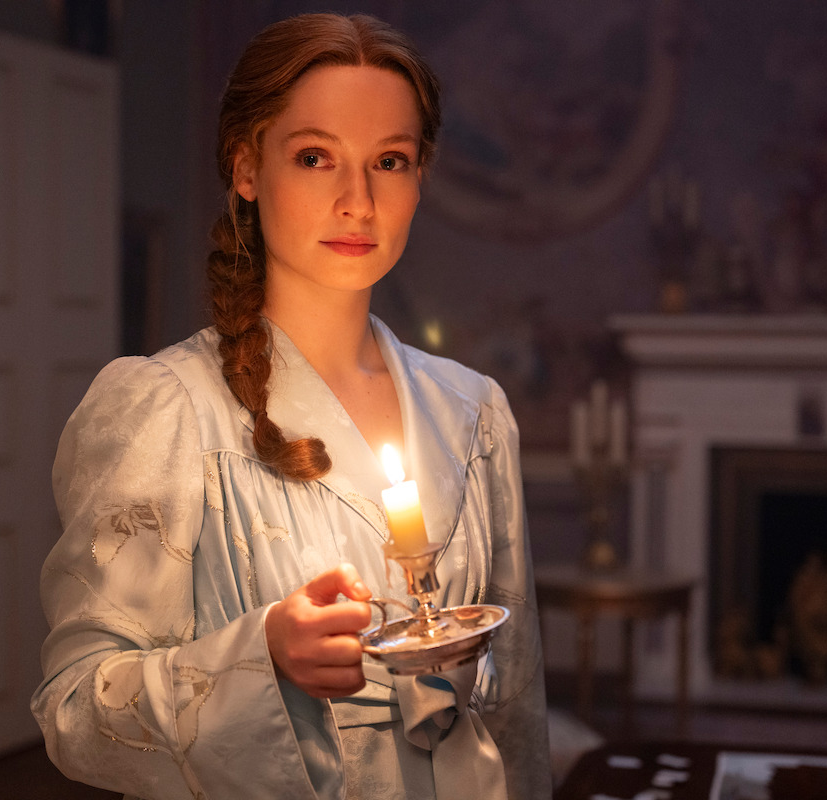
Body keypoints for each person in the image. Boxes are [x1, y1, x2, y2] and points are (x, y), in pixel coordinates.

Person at [31, 12, 551, 800]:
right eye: (315, 157)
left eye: (390, 160)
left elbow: (514, 704)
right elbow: (76, 709)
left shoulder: (472, 413)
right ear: (247, 167)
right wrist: (260, 655)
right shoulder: (167, 411)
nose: (358, 200)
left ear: (421, 177)